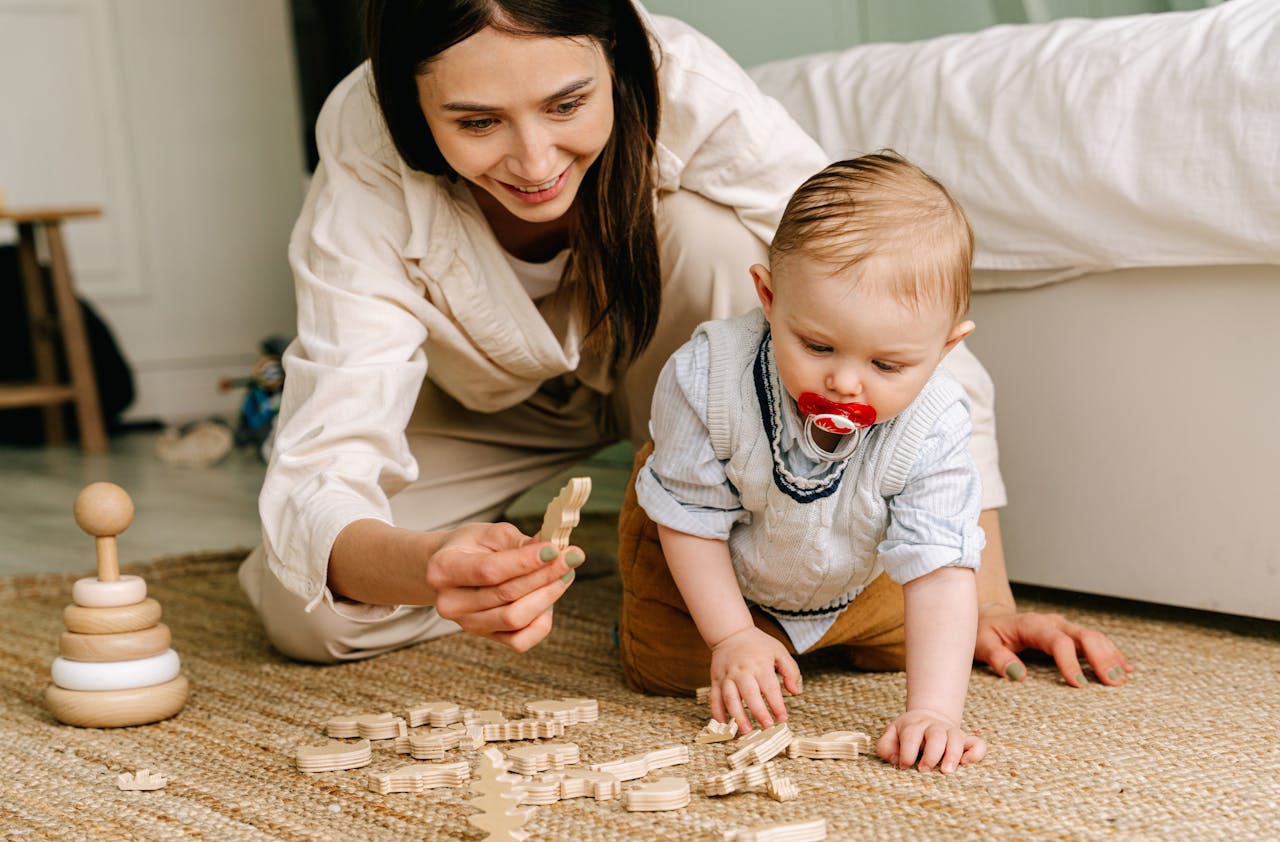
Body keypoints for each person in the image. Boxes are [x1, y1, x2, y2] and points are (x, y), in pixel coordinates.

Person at [236, 0, 1131, 695]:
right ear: (409, 106)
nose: (535, 160)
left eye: (567, 104)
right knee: (313, 616)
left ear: (616, 62)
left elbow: (893, 316)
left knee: (716, 238)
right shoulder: (365, 156)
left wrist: (989, 602)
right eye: (477, 124)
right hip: (478, 406)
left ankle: (725, 553)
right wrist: (429, 568)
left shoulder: (686, 85)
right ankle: (628, 548)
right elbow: (320, 474)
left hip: (682, 374)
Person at [621, 153, 991, 772]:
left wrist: (935, 712)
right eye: (817, 346)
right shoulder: (706, 376)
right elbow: (690, 517)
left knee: (926, 637)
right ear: (768, 296)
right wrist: (733, 636)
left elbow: (940, 564)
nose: (846, 382)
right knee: (664, 669)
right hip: (705, 550)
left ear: (947, 346)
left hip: (852, 572)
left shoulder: (940, 420)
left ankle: (820, 639)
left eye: (888, 366)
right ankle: (729, 631)